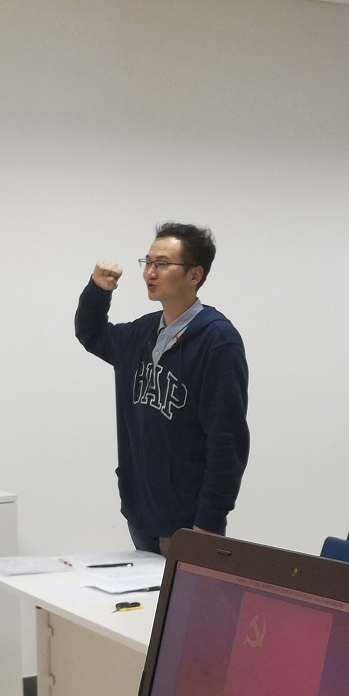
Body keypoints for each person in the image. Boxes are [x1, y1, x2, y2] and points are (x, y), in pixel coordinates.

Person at [76, 222, 249, 552]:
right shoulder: (141, 333)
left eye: (163, 264)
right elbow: (91, 333)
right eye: (148, 262)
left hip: (187, 524)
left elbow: (227, 440)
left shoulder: (218, 341)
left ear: (195, 275)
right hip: (140, 514)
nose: (149, 273)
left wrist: (209, 522)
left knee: (179, 592)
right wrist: (98, 290)